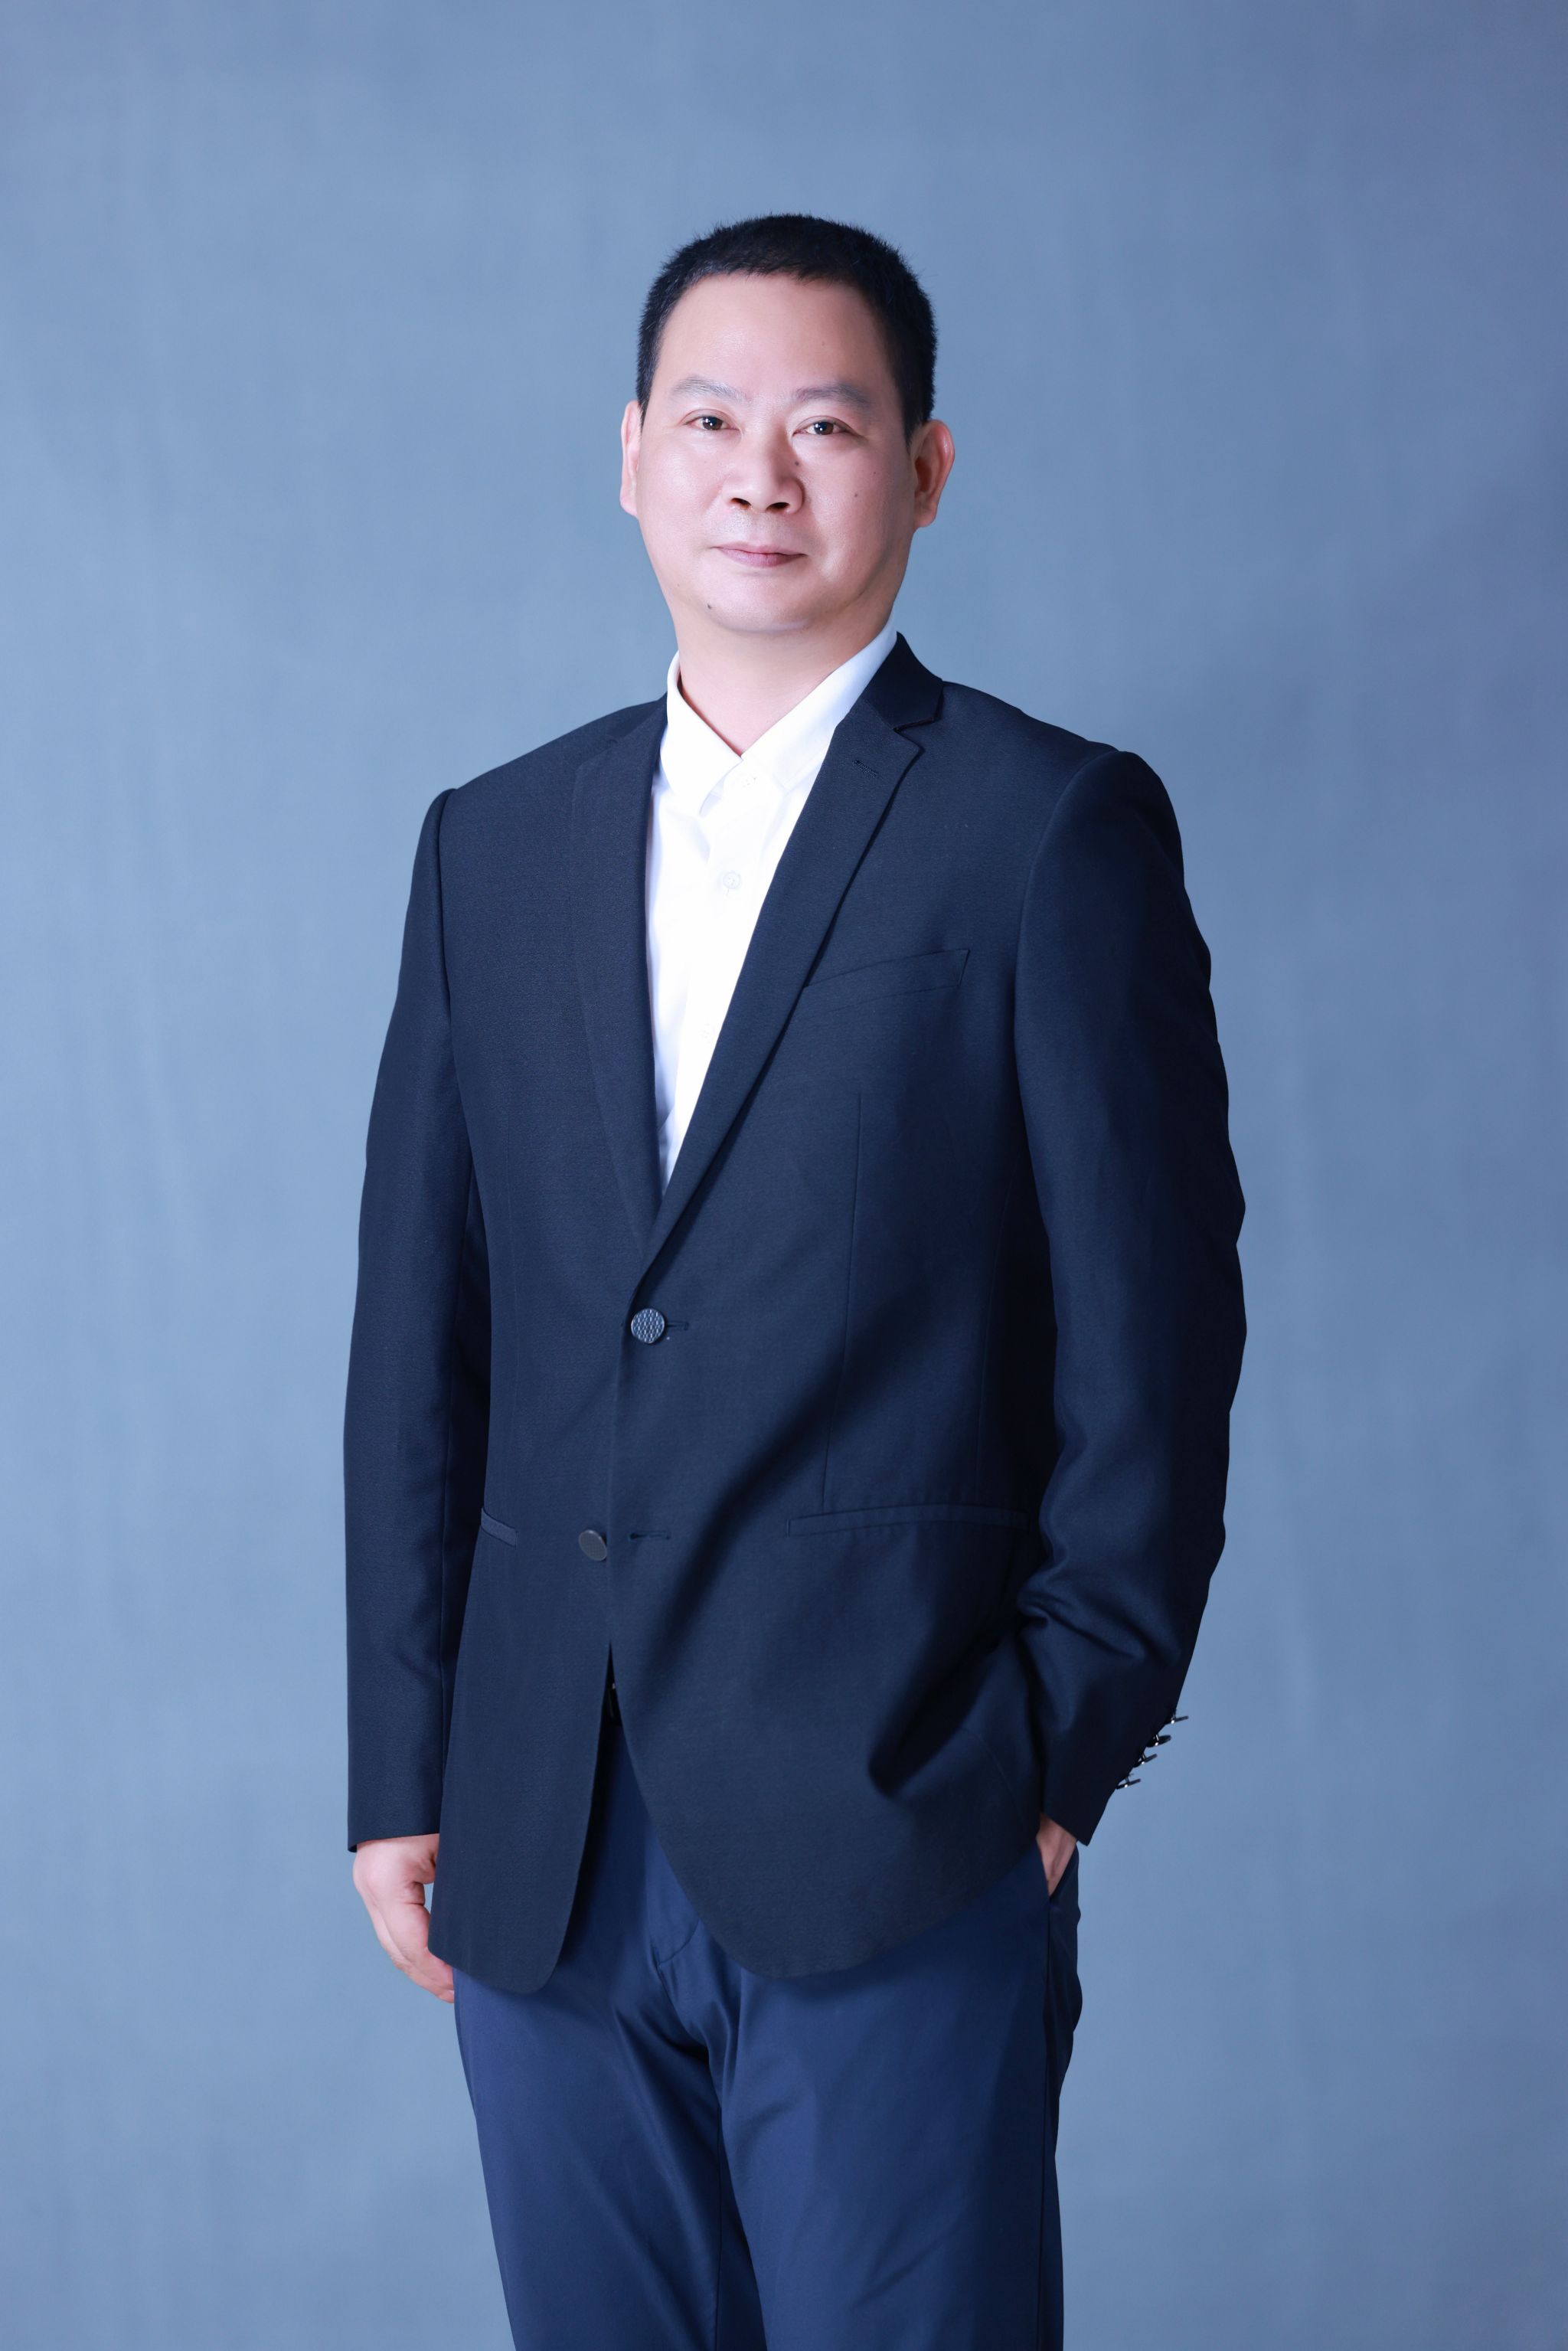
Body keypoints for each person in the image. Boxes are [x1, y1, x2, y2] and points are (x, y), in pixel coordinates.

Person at [344, 211, 1246, 2351]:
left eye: (826, 427)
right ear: (630, 454)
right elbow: (419, 1343)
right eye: (711, 420)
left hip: (898, 1824)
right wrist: (405, 1760)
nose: (760, 475)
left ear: (923, 471)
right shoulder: (492, 846)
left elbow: (1157, 1348)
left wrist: (1044, 1770)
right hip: (542, 1840)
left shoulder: (1046, 832)